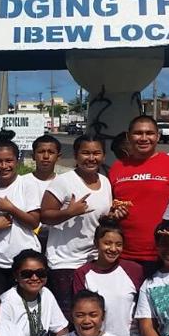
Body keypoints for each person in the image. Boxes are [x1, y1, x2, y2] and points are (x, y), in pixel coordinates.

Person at [107, 115, 169, 276]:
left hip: (164, 255)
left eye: (150, 133)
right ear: (128, 136)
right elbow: (110, 207)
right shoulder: (117, 168)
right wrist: (113, 214)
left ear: (158, 136)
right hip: (124, 254)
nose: (144, 138)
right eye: (138, 133)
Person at [41, 135, 112, 318]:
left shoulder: (105, 182)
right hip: (65, 261)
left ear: (103, 156)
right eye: (85, 153)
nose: (91, 158)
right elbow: (45, 215)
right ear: (76, 155)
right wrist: (69, 212)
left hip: (94, 259)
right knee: (70, 317)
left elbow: (101, 219)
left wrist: (113, 216)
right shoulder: (63, 181)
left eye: (96, 153)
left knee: (93, 314)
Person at [0, 139, 42, 293]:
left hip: (26, 260)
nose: (4, 166)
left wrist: (11, 209)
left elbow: (34, 223)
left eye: (9, 160)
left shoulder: (27, 185)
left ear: (17, 161)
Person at [72, 220, 143, 336]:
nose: (113, 249)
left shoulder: (134, 270)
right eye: (107, 243)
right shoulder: (82, 273)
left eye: (118, 244)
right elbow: (80, 311)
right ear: (96, 243)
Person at [0, 249, 69, 336]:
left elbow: (62, 330)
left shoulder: (46, 293)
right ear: (16, 276)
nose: (35, 278)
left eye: (41, 273)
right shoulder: (6, 303)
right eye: (27, 274)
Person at [24, 135, 62, 250]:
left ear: (58, 157)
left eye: (51, 152)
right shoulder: (22, 182)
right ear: (33, 156)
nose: (46, 156)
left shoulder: (65, 183)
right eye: (41, 152)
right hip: (28, 240)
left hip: (56, 243)